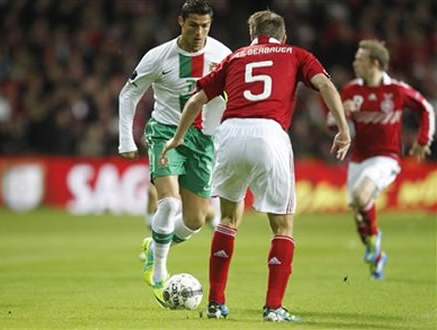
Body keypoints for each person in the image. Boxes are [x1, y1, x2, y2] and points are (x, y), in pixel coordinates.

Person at [159, 10, 351, 322]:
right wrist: (343, 129)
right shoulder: (296, 53)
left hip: (230, 133)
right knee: (282, 226)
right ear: (283, 35)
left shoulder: (235, 57)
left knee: (229, 219)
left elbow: (195, 101)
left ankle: (216, 304)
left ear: (253, 35)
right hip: (269, 133)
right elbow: (326, 86)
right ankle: (273, 308)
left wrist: (177, 139)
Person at [118, 0, 231, 307]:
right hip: (165, 133)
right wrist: (125, 139)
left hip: (203, 139)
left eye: (205, 26)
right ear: (180, 22)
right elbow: (129, 93)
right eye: (193, 24)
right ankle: (157, 274)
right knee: (169, 204)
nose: (199, 32)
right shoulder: (159, 56)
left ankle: (154, 246)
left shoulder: (222, 56)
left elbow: (232, 96)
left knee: (194, 219)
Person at [331, 39, 435, 280]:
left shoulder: (396, 90)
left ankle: (375, 240)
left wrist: (423, 140)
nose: (355, 62)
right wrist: (341, 114)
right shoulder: (350, 91)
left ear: (374, 63)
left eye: (360, 58)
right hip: (358, 160)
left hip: (385, 158)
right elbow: (331, 124)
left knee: (360, 195)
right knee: (358, 210)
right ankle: (375, 253)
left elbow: (426, 108)